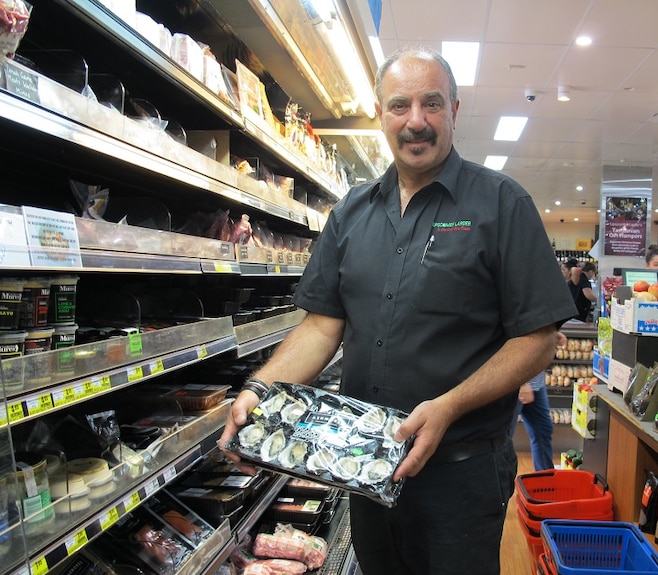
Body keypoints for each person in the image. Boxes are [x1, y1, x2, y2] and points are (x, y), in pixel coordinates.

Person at [219, 46, 577, 574]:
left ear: (455, 111)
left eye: (431, 104)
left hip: (461, 475)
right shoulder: (351, 212)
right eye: (399, 105)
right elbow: (321, 327)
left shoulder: (501, 204)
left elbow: (537, 340)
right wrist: (260, 389)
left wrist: (449, 405)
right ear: (381, 114)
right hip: (365, 470)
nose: (416, 121)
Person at [508, 331, 567, 471]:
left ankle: (545, 481)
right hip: (515, 383)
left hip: (535, 382)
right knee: (504, 438)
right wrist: (521, 382)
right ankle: (499, 486)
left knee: (543, 430)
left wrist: (550, 335)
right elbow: (511, 339)